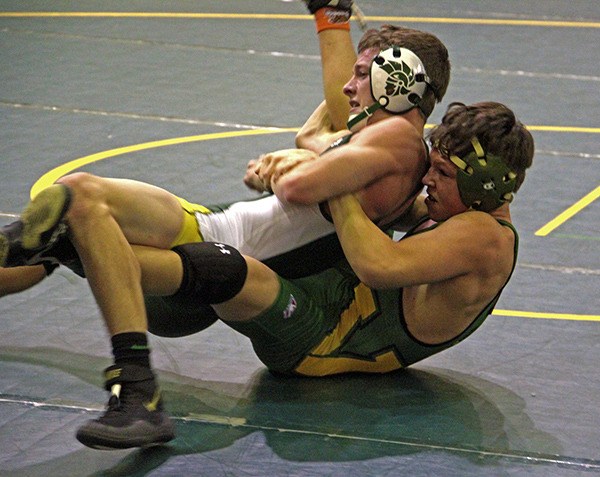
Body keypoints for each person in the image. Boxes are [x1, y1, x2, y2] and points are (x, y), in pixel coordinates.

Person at [0, 5, 452, 450]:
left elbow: (297, 186)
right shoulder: (389, 144)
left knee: (75, 210)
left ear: (395, 80)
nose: (349, 88)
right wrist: (313, 148)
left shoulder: (395, 139)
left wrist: (300, 161)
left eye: (361, 75)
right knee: (73, 200)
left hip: (211, 261)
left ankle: (136, 388)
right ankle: (134, 385)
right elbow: (326, 142)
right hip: (208, 229)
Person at [83, 101, 535, 448]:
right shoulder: (458, 212)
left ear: (484, 184)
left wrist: (329, 181)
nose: (427, 181)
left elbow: (378, 265)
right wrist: (324, 155)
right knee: (218, 247)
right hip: (336, 297)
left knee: (221, 268)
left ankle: (88, 247)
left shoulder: (485, 237)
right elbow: (379, 187)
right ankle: (78, 242)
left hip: (327, 339)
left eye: (441, 173)